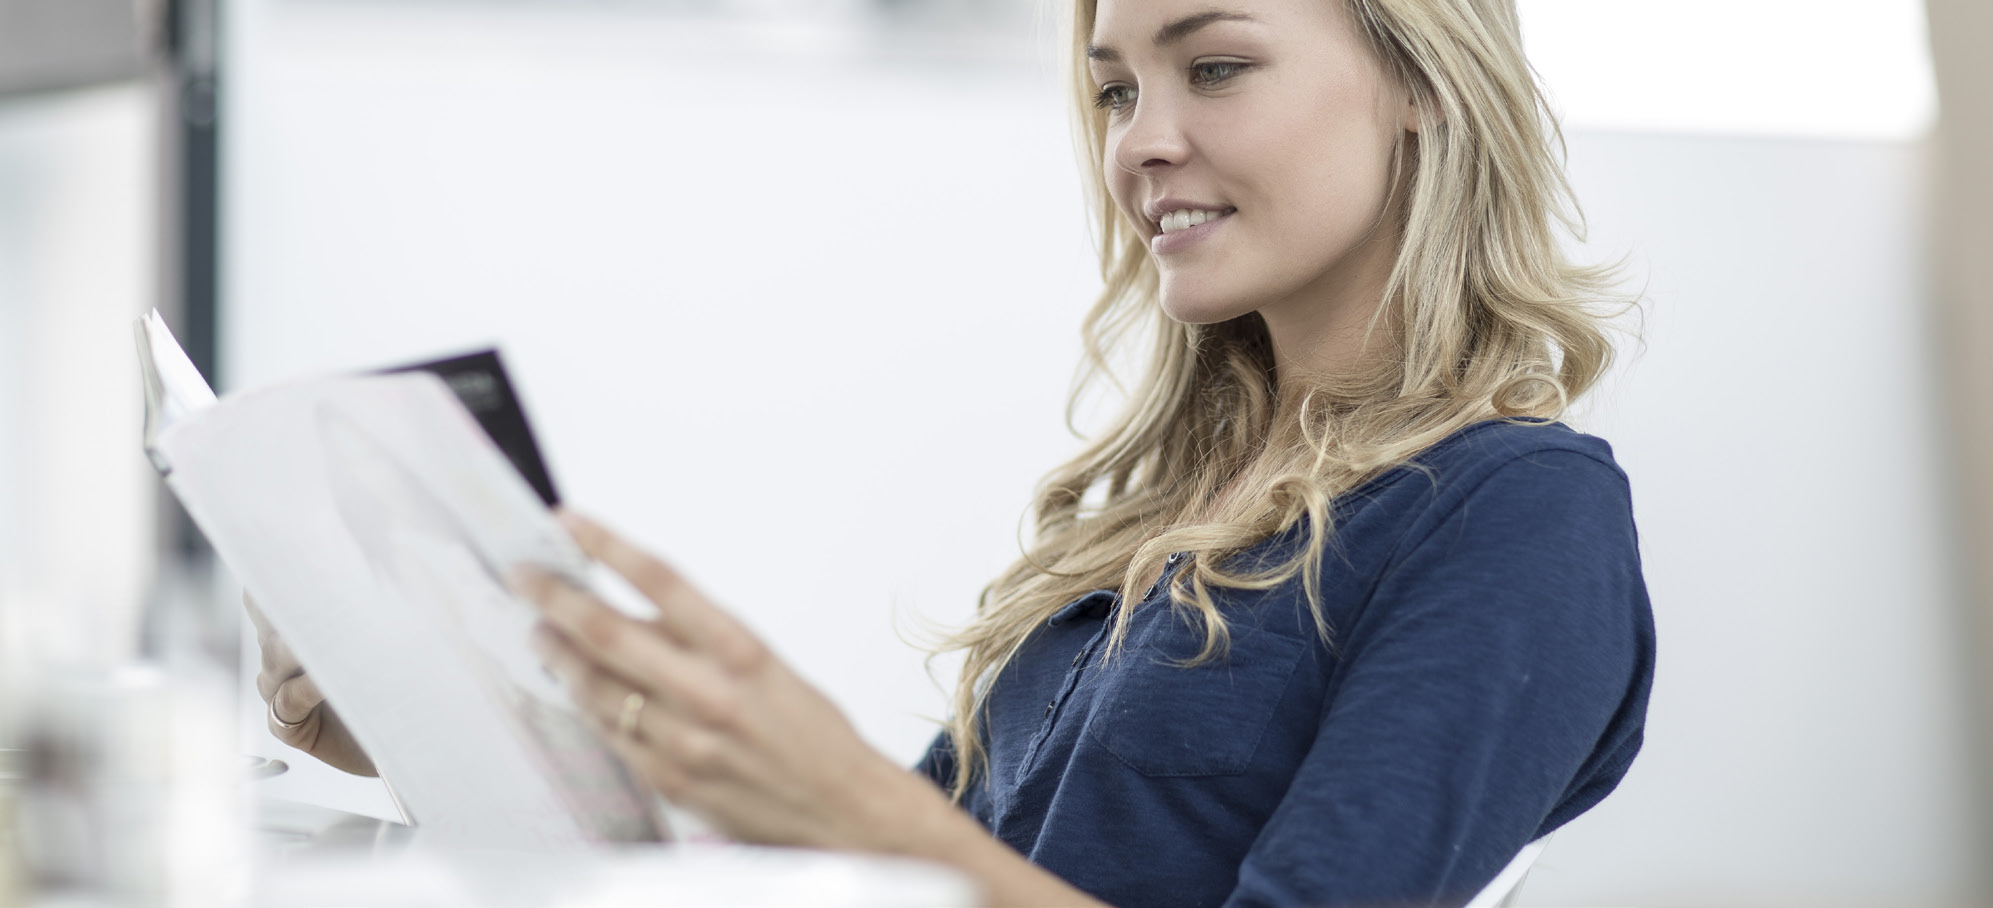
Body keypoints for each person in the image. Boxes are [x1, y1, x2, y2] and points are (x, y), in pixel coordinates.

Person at [254, 0, 1655, 904]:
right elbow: (886, 872)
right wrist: (450, 732)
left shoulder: (1518, 519)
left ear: (1423, 81)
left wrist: (859, 800)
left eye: (1215, 68)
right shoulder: (1173, 501)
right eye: (1114, 91)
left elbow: (904, 849)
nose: (1144, 143)